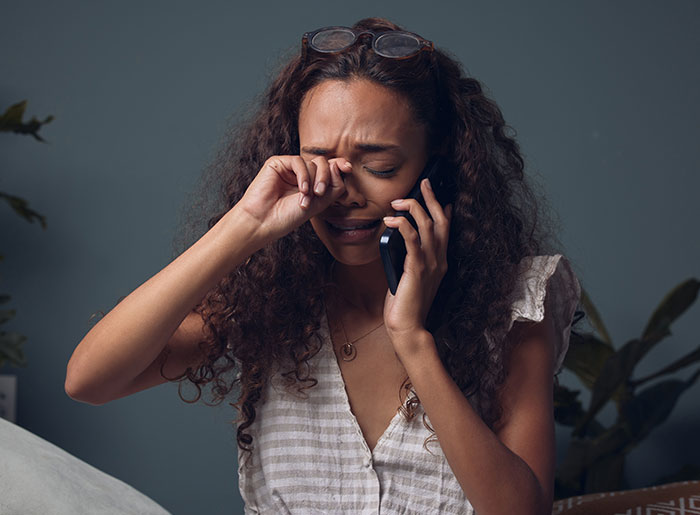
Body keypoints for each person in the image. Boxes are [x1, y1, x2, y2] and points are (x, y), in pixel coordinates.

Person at [65, 16, 582, 515]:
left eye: (379, 167)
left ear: (438, 165)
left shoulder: (516, 299)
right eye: (318, 161)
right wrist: (244, 224)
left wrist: (413, 340)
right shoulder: (269, 295)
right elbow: (89, 382)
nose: (342, 194)